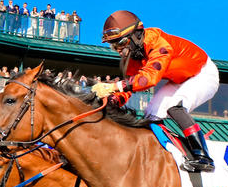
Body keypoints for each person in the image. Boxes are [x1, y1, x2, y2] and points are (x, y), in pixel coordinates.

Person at [92, 10, 217, 172]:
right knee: (151, 115)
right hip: (179, 79)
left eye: (120, 43)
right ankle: (164, 154)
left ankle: (203, 156)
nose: (118, 50)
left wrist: (114, 86)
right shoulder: (133, 56)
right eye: (113, 45)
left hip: (203, 73)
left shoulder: (159, 42)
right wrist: (112, 100)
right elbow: (130, 87)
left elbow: (148, 79)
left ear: (136, 35)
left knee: (174, 107)